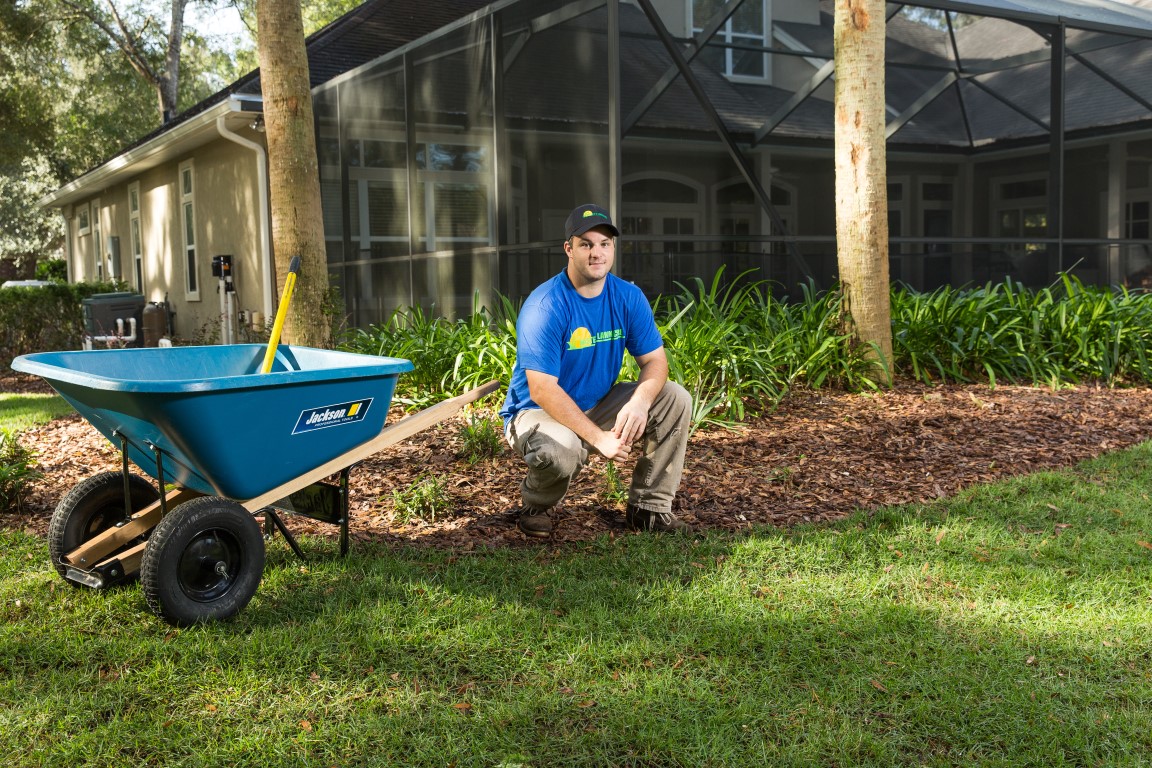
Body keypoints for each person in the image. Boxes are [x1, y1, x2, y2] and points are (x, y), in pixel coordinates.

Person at [500, 203, 693, 538]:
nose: (597, 253)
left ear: (613, 248)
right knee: (560, 451)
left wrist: (640, 402)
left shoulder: (627, 297)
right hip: (536, 410)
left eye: (604, 244)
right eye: (586, 244)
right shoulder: (545, 306)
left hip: (596, 402)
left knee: (674, 398)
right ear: (569, 249)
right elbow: (542, 389)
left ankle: (648, 509)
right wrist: (599, 438)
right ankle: (536, 505)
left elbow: (655, 361)